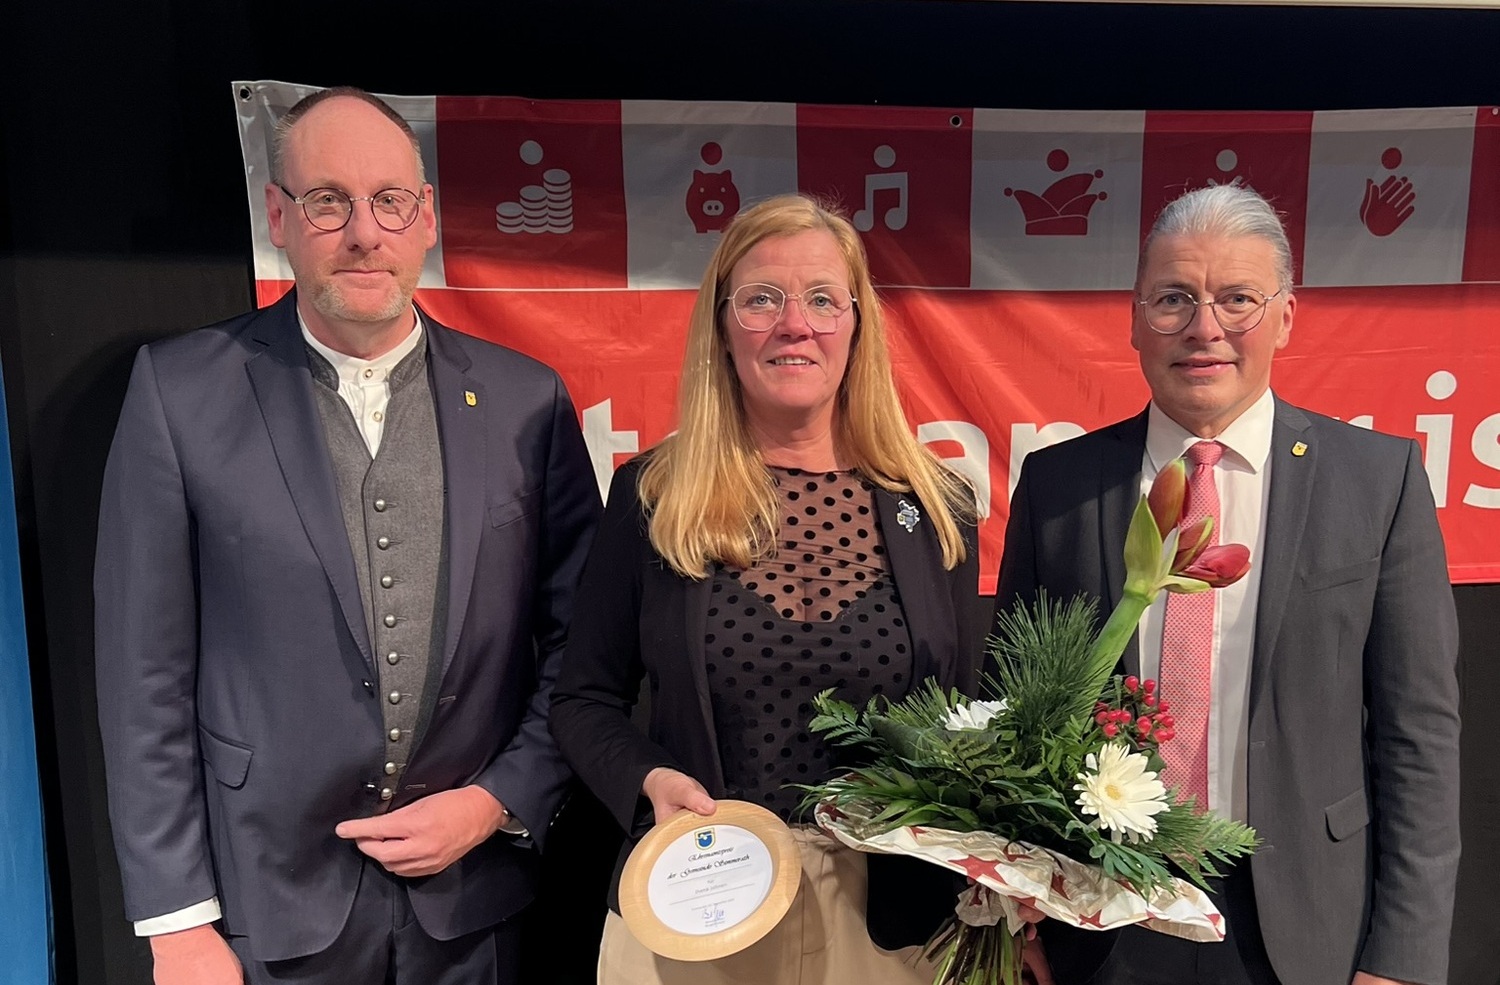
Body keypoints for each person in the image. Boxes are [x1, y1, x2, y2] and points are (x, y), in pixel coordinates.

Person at [93, 86, 601, 985]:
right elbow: (144, 678)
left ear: (426, 218)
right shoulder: (181, 394)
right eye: (329, 201)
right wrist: (178, 923)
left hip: (475, 909)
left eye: (389, 201)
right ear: (279, 216)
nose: (365, 232)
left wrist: (498, 799)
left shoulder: (529, 400)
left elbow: (583, 648)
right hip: (260, 910)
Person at [995, 182, 1460, 985]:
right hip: (1100, 920)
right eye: (1173, 298)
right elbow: (1013, 713)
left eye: (1237, 299)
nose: (1204, 328)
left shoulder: (1376, 481)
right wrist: (1008, 905)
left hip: (1308, 924)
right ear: (1135, 318)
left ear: (1285, 317)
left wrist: (1404, 957)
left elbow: (1418, 735)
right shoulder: (1058, 485)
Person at [548, 193, 988, 983]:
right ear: (722, 325)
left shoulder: (938, 506)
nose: (795, 324)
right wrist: (649, 780)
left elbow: (967, 718)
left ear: (857, 324)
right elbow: (583, 699)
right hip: (697, 906)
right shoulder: (654, 495)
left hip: (895, 930)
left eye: (822, 299)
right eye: (761, 299)